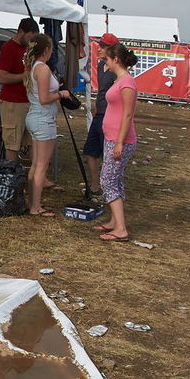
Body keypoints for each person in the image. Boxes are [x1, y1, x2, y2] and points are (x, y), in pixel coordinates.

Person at [94, 38, 140, 242]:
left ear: (116, 60)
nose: (106, 62)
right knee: (116, 179)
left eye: (108, 59)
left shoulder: (127, 83)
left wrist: (120, 142)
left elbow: (128, 115)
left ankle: (120, 228)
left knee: (107, 180)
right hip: (112, 137)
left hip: (120, 139)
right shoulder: (120, 81)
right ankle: (115, 221)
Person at [22, 34, 63, 217]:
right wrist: (62, 94)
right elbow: (45, 98)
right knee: (41, 166)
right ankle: (35, 206)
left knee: (35, 164)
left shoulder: (32, 67)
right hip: (43, 118)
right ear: (47, 49)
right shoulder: (43, 69)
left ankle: (32, 201)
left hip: (35, 116)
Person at [0, 18, 38, 164]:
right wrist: (25, 76)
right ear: (21, 32)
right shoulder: (8, 48)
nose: (31, 40)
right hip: (12, 103)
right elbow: (3, 77)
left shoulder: (28, 49)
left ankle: (35, 177)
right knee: (12, 143)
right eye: (30, 36)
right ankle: (11, 175)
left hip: (28, 101)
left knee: (33, 141)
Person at [83, 33, 120, 189]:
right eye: (100, 45)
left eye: (103, 47)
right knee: (90, 151)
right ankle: (95, 183)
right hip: (99, 114)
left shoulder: (116, 70)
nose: (99, 48)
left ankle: (107, 185)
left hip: (110, 116)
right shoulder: (100, 66)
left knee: (107, 154)